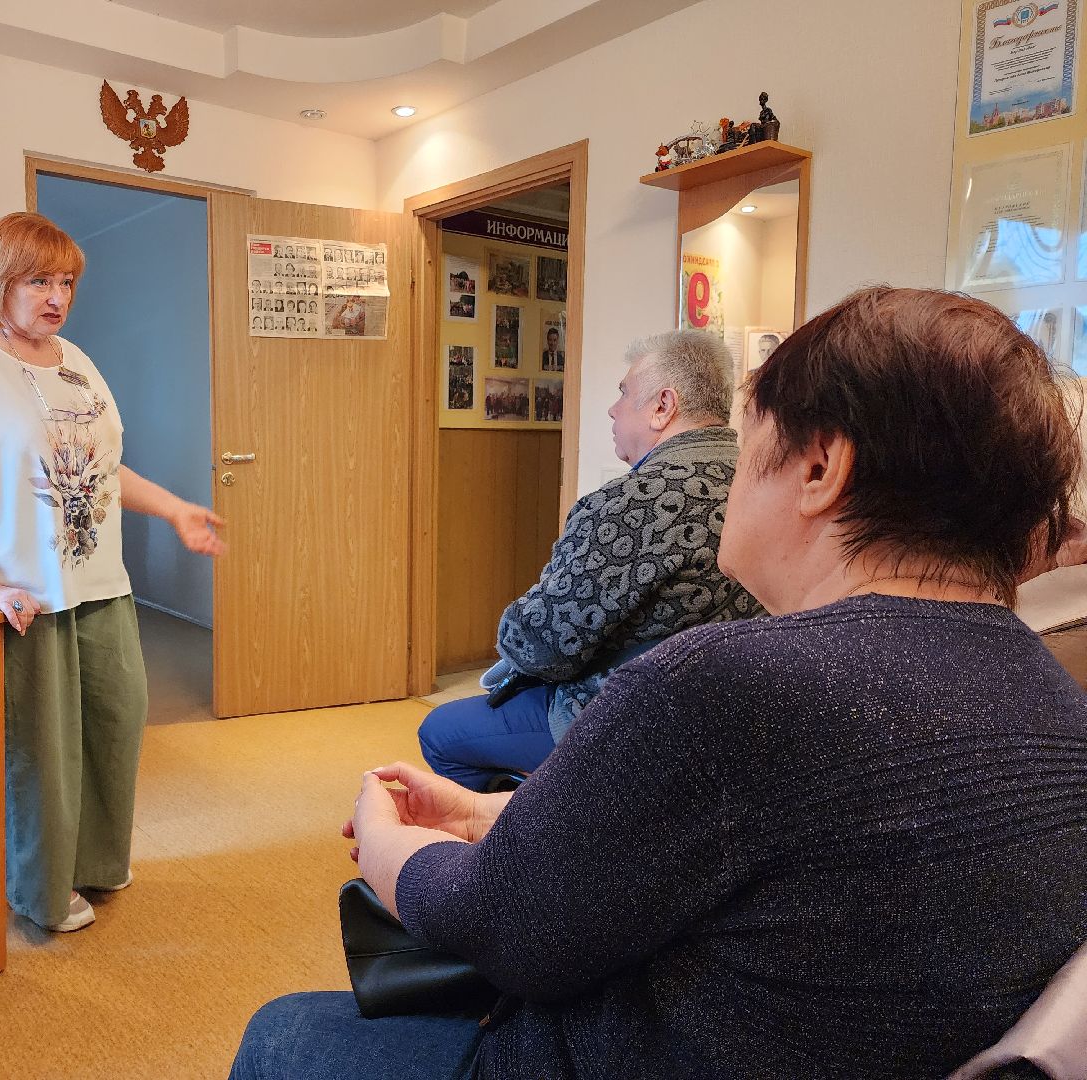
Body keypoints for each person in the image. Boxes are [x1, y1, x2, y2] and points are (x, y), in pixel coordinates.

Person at [230, 286, 1087, 1079]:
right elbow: (787, 864)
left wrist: (387, 845)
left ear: (820, 468)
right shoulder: (1052, 699)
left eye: (750, 447)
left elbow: (501, 927)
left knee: (280, 1032)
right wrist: (497, 817)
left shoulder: (727, 686)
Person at [0, 212, 224, 934]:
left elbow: (105, 468)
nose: (57, 297)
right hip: (26, 594)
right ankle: (40, 889)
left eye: (67, 282)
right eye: (38, 281)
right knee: (40, 752)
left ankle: (98, 861)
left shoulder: (76, 360)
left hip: (101, 585)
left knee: (116, 725)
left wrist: (174, 509)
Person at [417, 329, 761, 790]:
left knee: (441, 732)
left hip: (629, 717)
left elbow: (541, 646)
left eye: (623, 393)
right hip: (731, 715)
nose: (613, 409)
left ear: (663, 406)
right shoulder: (759, 486)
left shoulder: (632, 503)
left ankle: (543, 827)